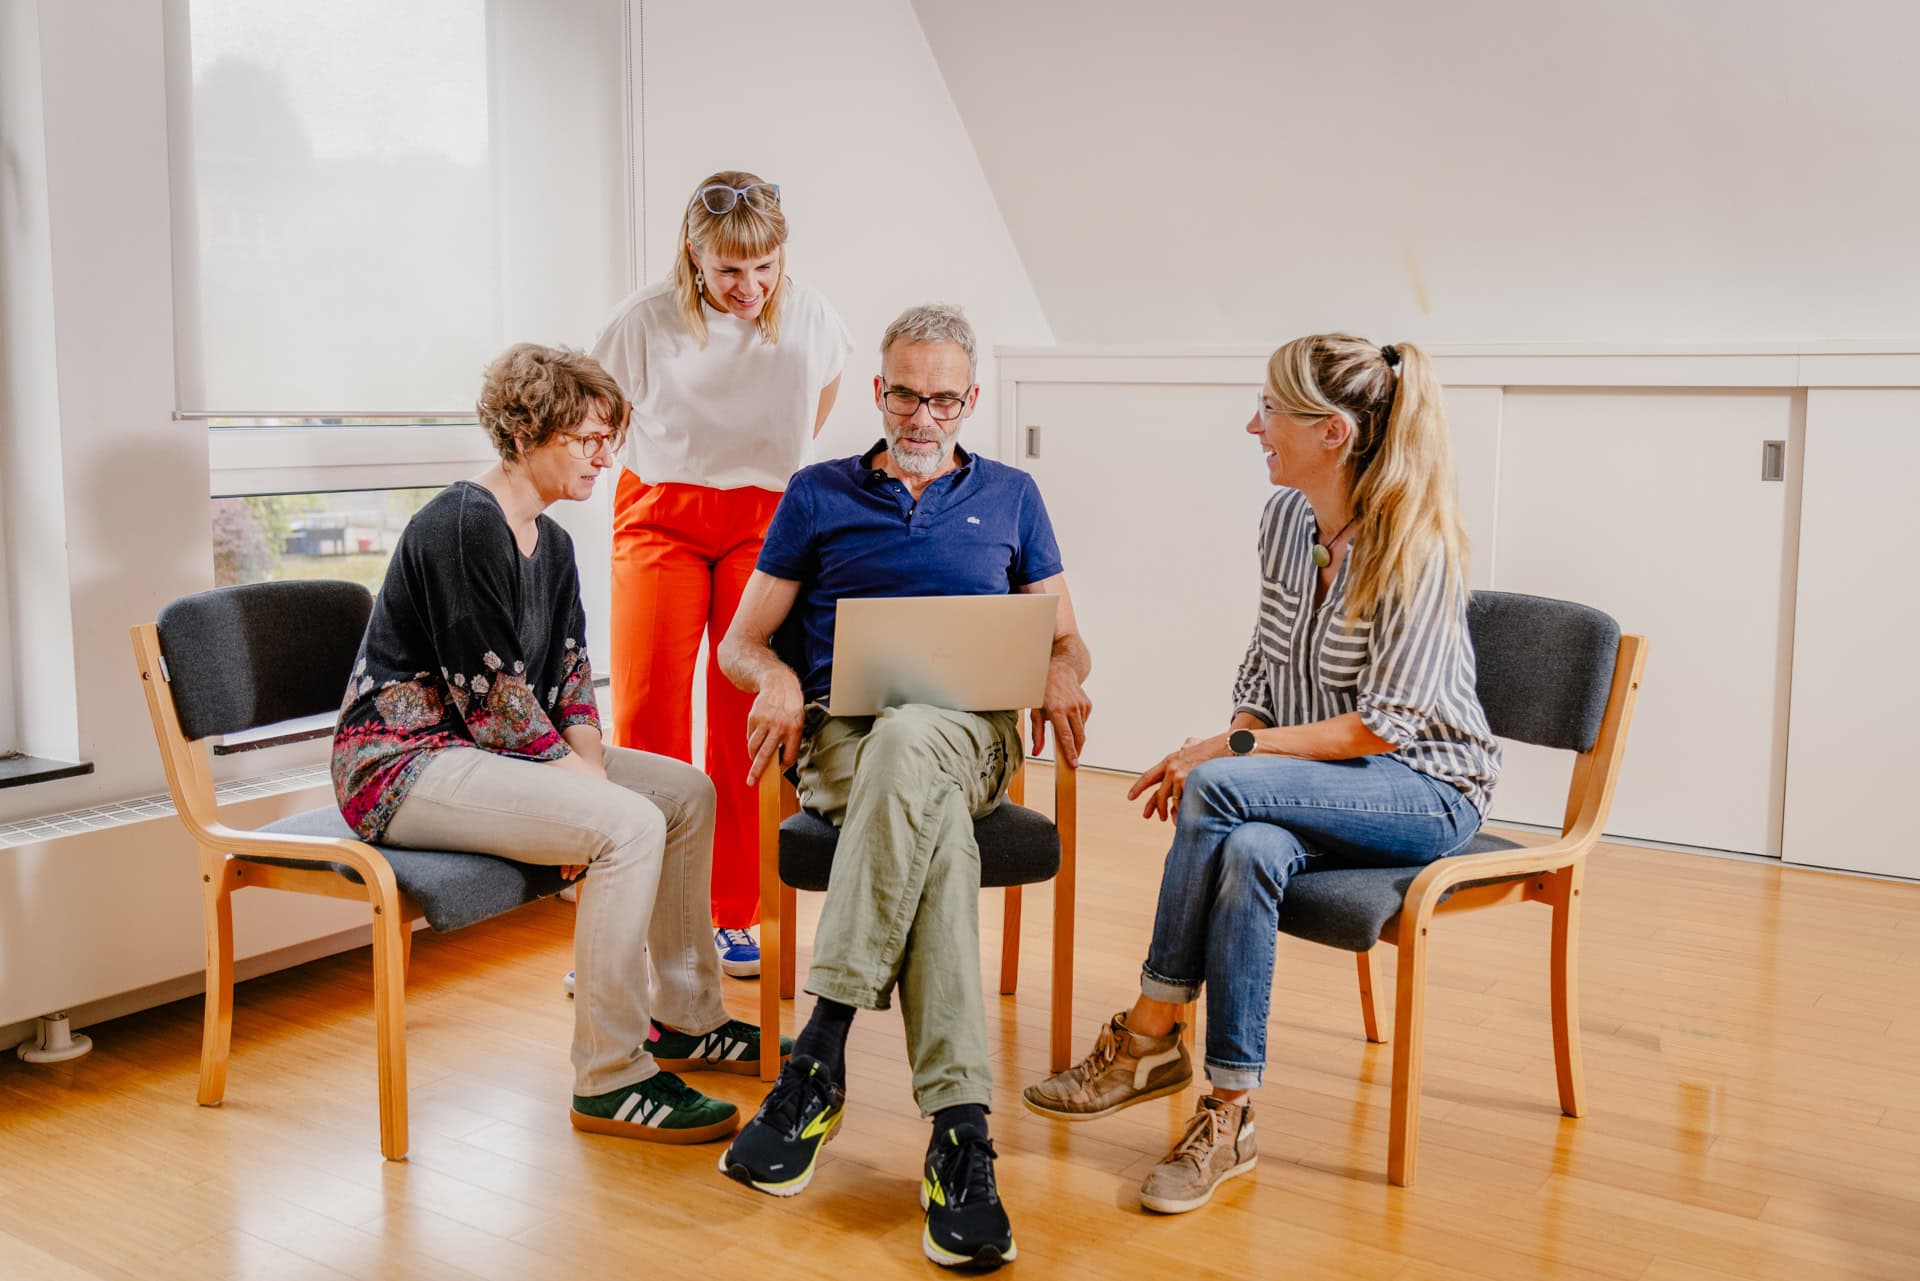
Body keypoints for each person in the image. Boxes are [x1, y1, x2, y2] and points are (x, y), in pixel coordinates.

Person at [1022, 334, 1500, 1215]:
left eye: (1270, 411)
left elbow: (1380, 728)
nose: (1254, 426)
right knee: (1248, 849)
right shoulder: (1286, 521)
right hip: (1328, 779)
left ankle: (1150, 1031)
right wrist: (1239, 735)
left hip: (1427, 789)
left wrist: (1223, 756)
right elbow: (1265, 668)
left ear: (1333, 433)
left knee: (1218, 789)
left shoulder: (1417, 549)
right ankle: (1232, 1110)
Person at [330, 343, 787, 1145]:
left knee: (686, 793)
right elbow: (493, 698)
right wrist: (592, 790)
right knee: (629, 822)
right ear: (525, 429)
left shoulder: (557, 543)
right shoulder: (463, 524)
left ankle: (686, 1016)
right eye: (586, 439)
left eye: (609, 438)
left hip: (485, 750)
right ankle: (610, 1075)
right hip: (404, 763)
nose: (605, 457)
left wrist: (588, 764)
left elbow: (571, 676)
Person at [712, 304, 1092, 1270]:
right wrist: (782, 677)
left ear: (971, 400)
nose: (924, 416)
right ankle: (961, 1136)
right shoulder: (817, 493)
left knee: (920, 735)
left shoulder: (1012, 494)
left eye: (946, 398)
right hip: (845, 738)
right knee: (931, 821)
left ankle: (819, 1056)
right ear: (879, 391)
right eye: (906, 394)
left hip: (974, 740)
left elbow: (1064, 633)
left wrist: (1062, 665)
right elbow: (741, 642)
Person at [588, 169, 852, 981]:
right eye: (729, 270)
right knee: (646, 710)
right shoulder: (643, 319)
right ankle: (637, 915)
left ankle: (733, 909)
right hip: (659, 512)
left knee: (747, 712)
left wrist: (759, 465)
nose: (750, 286)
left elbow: (826, 389)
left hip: (763, 519)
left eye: (765, 266)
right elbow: (604, 406)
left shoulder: (809, 312)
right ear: (694, 255)